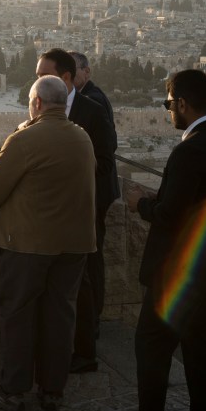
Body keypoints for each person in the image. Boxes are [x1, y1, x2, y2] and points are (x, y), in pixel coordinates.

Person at [98, 69, 206, 411]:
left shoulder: (189, 149)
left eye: (169, 103)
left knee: (151, 347)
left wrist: (139, 203)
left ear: (183, 103)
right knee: (200, 343)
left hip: (178, 269)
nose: (167, 111)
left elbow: (170, 214)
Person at [0, 75, 95, 411]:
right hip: (74, 245)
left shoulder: (25, 139)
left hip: (27, 245)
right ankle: (53, 390)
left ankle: (12, 390)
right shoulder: (82, 137)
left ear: (36, 103)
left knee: (18, 316)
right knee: (60, 316)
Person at [35, 48, 116, 374]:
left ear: (65, 78)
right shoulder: (38, 108)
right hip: (52, 210)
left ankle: (85, 347)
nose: (37, 81)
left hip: (84, 206)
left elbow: (106, 164)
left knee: (83, 278)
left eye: (43, 75)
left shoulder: (93, 112)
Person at [69, 50, 120, 342]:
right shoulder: (87, 98)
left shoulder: (93, 102)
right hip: (95, 191)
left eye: (73, 71)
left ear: (87, 72)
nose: (70, 77)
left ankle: (92, 323)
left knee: (92, 259)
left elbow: (103, 153)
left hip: (95, 192)